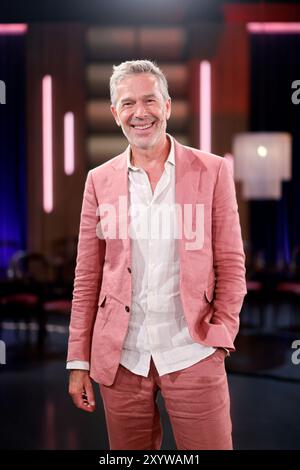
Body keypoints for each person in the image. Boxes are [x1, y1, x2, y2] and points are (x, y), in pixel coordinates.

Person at [67, 60, 247, 450]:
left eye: (150, 100)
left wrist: (221, 335)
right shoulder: (98, 180)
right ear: (116, 113)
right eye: (128, 103)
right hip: (122, 360)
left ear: (167, 106)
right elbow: (87, 276)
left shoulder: (212, 171)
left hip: (193, 350)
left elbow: (231, 264)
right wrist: (79, 361)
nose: (140, 112)